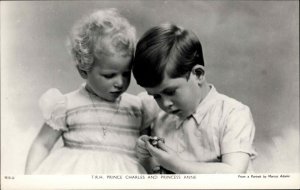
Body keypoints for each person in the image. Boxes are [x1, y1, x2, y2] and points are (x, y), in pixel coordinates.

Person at [25, 8, 155, 174]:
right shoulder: (66, 105)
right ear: (84, 70)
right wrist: (28, 179)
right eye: (109, 75)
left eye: (126, 73)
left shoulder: (138, 108)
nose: (120, 82)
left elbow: (146, 153)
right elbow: (42, 144)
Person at [132, 23, 257, 174]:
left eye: (171, 92)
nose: (165, 104)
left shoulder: (233, 114)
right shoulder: (155, 114)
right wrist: (145, 154)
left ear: (198, 74)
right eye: (156, 96)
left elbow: (234, 173)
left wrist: (176, 165)